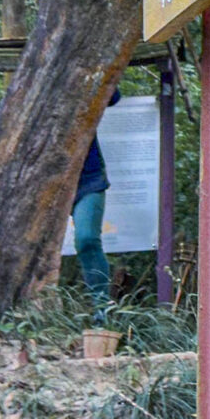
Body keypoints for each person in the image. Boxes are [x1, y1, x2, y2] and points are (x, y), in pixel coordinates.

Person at [74, 101, 113, 320]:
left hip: (88, 180)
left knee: (87, 239)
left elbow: (113, 95)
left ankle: (102, 311)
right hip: (46, 178)